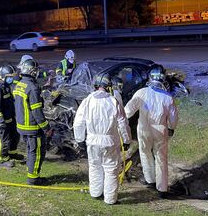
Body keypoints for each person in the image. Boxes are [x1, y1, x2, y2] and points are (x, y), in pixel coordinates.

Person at [73, 73, 132, 205]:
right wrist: (127, 140)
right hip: (110, 142)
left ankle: (95, 193)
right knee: (111, 170)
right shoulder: (113, 101)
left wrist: (80, 139)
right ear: (108, 86)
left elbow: (78, 122)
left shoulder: (87, 100)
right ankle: (110, 199)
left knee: (94, 166)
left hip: (92, 141)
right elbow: (123, 123)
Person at [124, 68, 178, 198]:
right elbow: (173, 118)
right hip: (160, 129)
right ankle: (162, 188)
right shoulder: (168, 97)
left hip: (144, 128)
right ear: (162, 80)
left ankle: (150, 180)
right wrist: (171, 127)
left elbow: (128, 110)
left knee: (145, 153)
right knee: (161, 157)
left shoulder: (141, 93)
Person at [12, 59, 52, 185]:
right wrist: (46, 128)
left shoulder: (19, 84)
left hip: (21, 125)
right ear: (32, 71)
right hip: (32, 127)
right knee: (37, 152)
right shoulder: (33, 88)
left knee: (30, 150)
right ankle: (33, 178)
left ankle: (31, 173)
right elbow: (37, 112)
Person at [0, 65, 21, 169]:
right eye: (9, 76)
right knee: (4, 140)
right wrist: (1, 121)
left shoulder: (6, 85)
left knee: (15, 136)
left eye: (12, 76)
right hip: (0, 120)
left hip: (9, 118)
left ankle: (12, 153)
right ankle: (2, 159)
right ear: (3, 76)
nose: (12, 78)